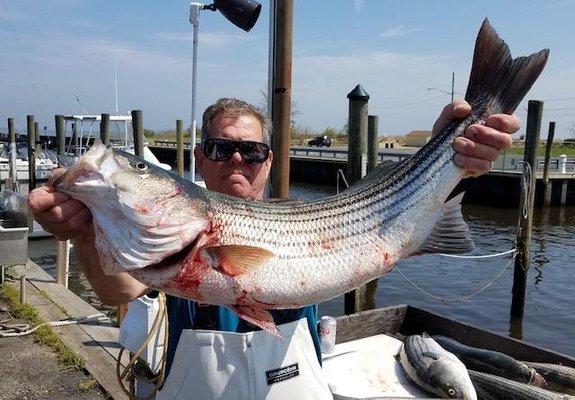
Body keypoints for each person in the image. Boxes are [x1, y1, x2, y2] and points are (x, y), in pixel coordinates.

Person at [28, 97, 519, 399]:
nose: (238, 158)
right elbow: (118, 291)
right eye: (221, 149)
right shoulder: (161, 249)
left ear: (269, 159)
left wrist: (448, 156)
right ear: (199, 159)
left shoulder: (300, 217)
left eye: (254, 150)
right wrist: (84, 232)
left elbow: (385, 217)